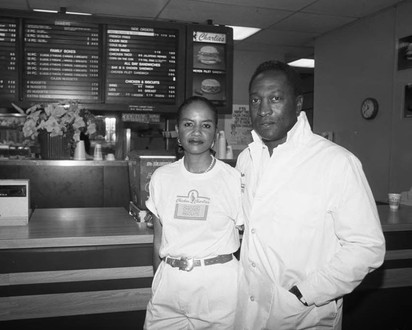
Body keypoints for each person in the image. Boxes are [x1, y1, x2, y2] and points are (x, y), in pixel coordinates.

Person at [234, 60, 386, 329]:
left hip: (303, 315)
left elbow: (367, 247)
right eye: (255, 100)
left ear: (298, 103)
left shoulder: (336, 162)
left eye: (276, 98)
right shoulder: (247, 159)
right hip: (249, 311)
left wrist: (306, 293)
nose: (264, 110)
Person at [144, 96, 247, 329]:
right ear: (178, 131)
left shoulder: (232, 179)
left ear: (215, 133)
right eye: (189, 124)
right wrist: (158, 281)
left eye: (206, 125)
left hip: (218, 290)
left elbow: (250, 237)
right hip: (169, 288)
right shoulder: (162, 177)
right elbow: (158, 240)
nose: (197, 132)